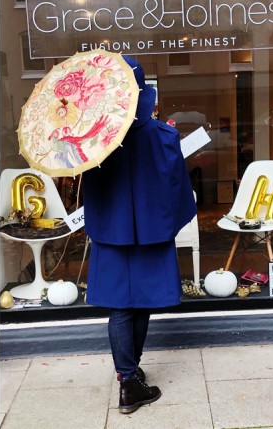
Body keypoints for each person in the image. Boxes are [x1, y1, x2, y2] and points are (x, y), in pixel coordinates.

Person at [81, 55, 197, 414]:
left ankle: (128, 378)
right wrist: (166, 222)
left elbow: (87, 189)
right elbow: (179, 188)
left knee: (120, 306)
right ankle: (130, 382)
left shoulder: (94, 140)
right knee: (142, 302)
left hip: (111, 231)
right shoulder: (164, 136)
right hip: (151, 229)